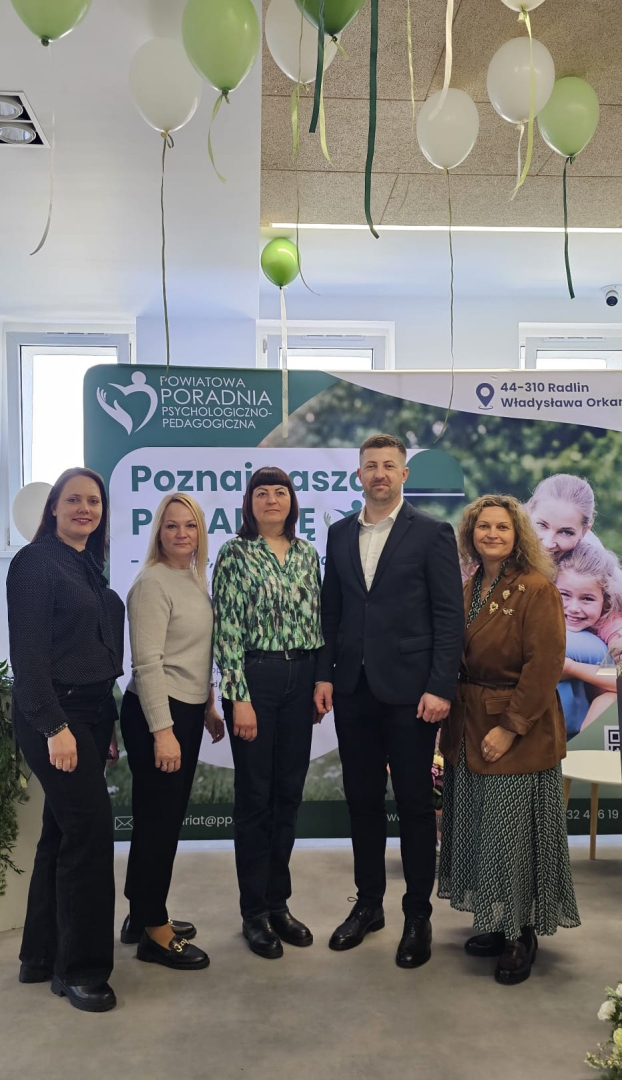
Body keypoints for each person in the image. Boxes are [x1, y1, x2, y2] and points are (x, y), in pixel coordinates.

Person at [314, 434, 464, 969]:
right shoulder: (338, 533)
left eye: (389, 465)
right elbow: (332, 611)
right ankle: (369, 905)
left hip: (412, 695)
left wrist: (441, 686)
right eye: (370, 465)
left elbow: (449, 616)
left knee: (416, 807)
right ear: (358, 475)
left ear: (404, 474)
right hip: (352, 690)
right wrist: (324, 675)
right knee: (362, 802)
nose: (379, 473)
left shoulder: (432, 532)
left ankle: (417, 915)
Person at [439, 494, 580, 986]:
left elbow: (546, 665)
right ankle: (500, 924)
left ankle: (522, 934)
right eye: (484, 527)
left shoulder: (537, 588)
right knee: (486, 832)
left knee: (514, 836)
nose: (492, 534)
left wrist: (510, 726)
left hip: (517, 728)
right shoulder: (469, 585)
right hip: (468, 723)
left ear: (518, 534)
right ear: (470, 534)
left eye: (502, 527)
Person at [7, 468, 125, 1013]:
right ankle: (80, 971)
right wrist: (56, 727)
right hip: (56, 712)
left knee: (60, 834)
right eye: (73, 499)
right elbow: (29, 659)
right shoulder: (35, 563)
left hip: (93, 714)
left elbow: (97, 654)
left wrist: (106, 726)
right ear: (52, 507)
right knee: (90, 835)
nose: (85, 508)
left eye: (93, 501)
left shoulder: (88, 567)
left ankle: (39, 955)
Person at [212, 466, 322, 960]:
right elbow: (227, 630)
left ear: (292, 502)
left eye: (281, 492)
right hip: (255, 679)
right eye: (262, 492)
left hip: (302, 677)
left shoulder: (307, 553)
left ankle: (279, 903)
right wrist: (238, 697)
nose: (272, 499)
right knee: (255, 799)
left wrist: (320, 680)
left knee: (288, 794)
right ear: (250, 503)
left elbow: (318, 621)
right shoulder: (235, 553)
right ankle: (253, 912)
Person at [120, 494, 223, 970]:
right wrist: (163, 731)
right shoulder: (152, 583)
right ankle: (154, 933)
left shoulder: (192, 579)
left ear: (200, 532)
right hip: (157, 713)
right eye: (171, 526)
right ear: (158, 533)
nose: (181, 533)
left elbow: (193, 654)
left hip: (186, 708)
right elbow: (147, 664)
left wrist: (208, 706)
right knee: (159, 823)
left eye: (190, 525)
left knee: (158, 818)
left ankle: (139, 914)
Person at [555, 542, 621, 739]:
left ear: (606, 601)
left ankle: (585, 747)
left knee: (608, 699)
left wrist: (572, 668)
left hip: (597, 706)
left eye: (587, 599)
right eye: (564, 595)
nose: (574, 608)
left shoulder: (612, 625)